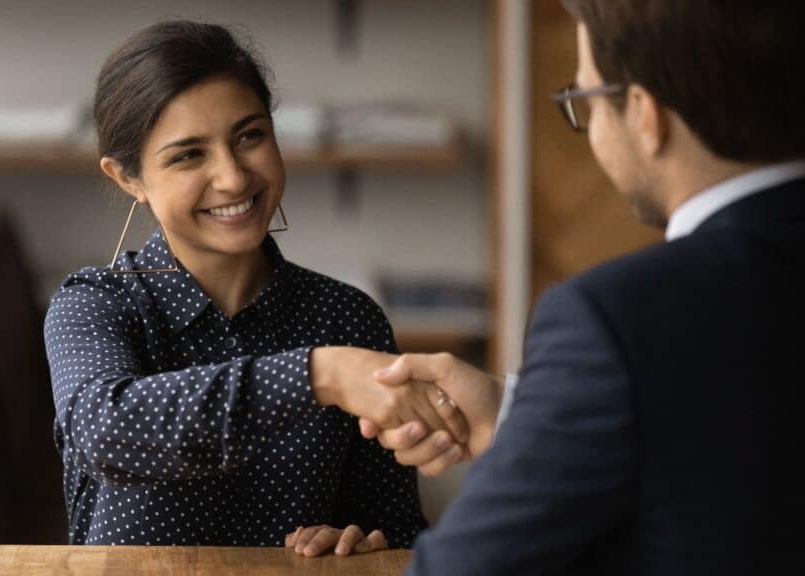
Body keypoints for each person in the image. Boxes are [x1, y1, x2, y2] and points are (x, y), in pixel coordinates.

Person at [357, 0, 805, 573]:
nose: (589, 127)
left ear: (644, 114)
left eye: (586, 101)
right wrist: (525, 412)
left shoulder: (615, 317)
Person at [43, 20, 468, 553]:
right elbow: (107, 434)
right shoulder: (94, 303)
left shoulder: (348, 318)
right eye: (188, 155)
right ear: (128, 179)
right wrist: (320, 375)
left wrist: (362, 542)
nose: (234, 177)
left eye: (249, 136)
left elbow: (400, 533)